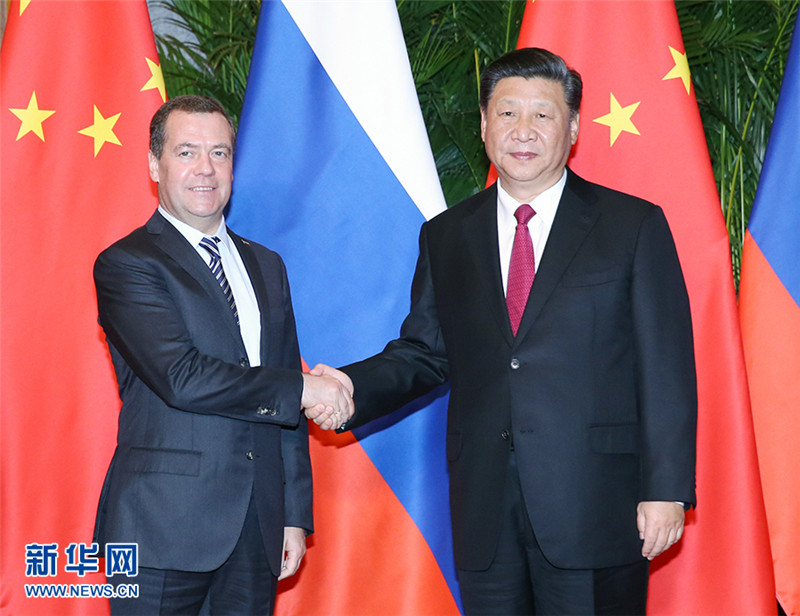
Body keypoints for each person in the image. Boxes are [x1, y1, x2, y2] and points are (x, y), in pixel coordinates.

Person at [309, 48, 697, 615]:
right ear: (485, 125)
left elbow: (665, 365)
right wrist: (349, 386)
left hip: (595, 503)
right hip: (485, 507)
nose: (523, 130)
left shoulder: (631, 225)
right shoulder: (447, 234)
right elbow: (425, 352)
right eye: (508, 113)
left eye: (542, 114)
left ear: (573, 129)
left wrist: (666, 489)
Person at [93, 95, 353, 615]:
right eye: (186, 152)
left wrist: (293, 513)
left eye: (220, 152)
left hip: (256, 530)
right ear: (154, 165)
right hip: (160, 527)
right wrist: (305, 388)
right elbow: (182, 377)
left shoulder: (267, 265)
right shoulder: (127, 263)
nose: (205, 169)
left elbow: (283, 394)